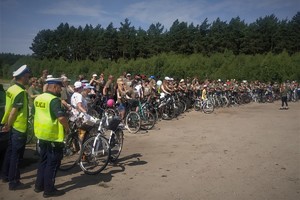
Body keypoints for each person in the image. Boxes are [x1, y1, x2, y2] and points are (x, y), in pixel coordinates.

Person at [33, 77, 69, 197]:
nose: (60, 90)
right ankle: (49, 190)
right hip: (53, 136)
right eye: (59, 88)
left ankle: (39, 186)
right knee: (52, 163)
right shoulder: (54, 100)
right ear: (54, 87)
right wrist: (67, 127)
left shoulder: (39, 98)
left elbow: (36, 113)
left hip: (41, 134)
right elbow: (61, 117)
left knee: (43, 161)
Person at [1, 65, 31, 190]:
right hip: (18, 127)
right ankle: (14, 182)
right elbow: (14, 111)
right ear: (23, 77)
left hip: (12, 125)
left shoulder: (11, 88)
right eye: (28, 77)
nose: (29, 79)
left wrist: (7, 124)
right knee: (16, 155)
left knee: (10, 152)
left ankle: (5, 175)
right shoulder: (20, 92)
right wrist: (8, 124)